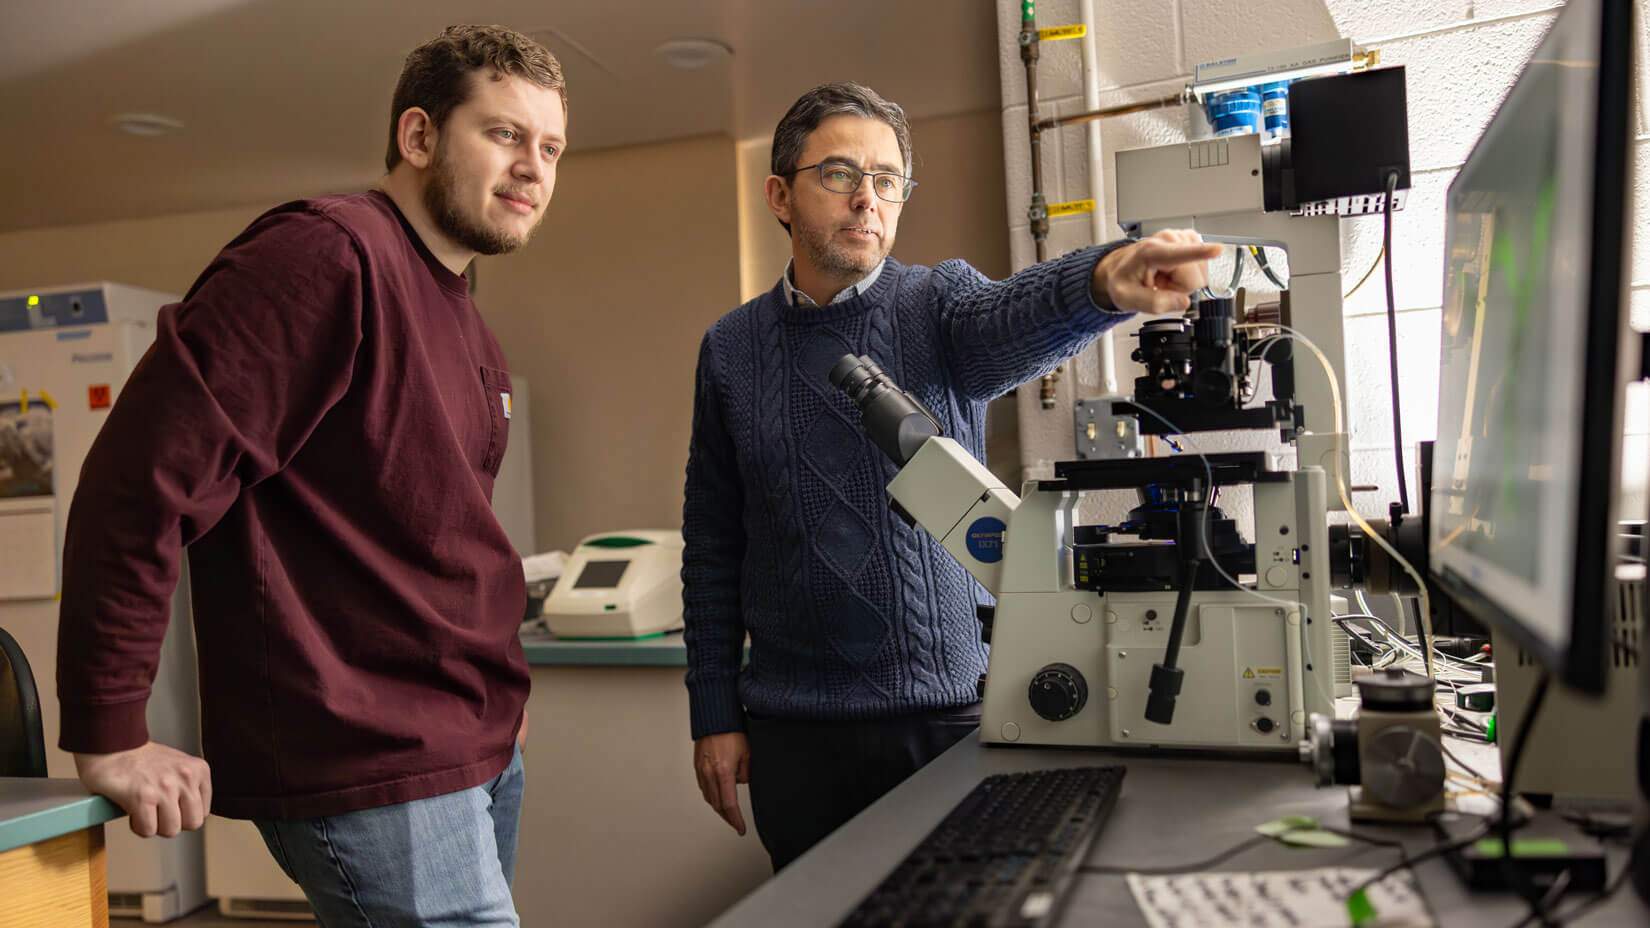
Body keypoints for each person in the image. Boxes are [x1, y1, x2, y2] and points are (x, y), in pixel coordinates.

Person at [55, 24, 566, 927]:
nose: (533, 166)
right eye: (503, 134)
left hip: (471, 741)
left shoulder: (463, 312)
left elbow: (437, 534)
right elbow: (137, 484)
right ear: (418, 137)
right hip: (372, 760)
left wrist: (494, 688)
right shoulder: (326, 257)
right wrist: (110, 733)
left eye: (551, 147)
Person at [682, 81, 1220, 871]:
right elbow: (712, 541)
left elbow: (1015, 312)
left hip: (942, 723)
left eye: (888, 180)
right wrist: (713, 710)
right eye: (838, 174)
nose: (868, 199)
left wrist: (1107, 279)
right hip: (792, 734)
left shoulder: (934, 306)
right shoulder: (730, 349)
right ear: (779, 195)